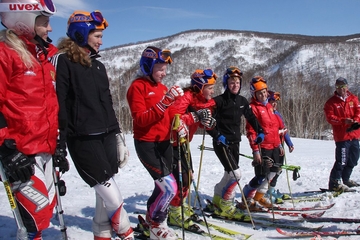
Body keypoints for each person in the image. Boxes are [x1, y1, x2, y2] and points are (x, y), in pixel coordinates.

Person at [53, 10, 133, 240]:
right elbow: (57, 102)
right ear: (81, 33)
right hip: (83, 138)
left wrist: (117, 134)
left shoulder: (97, 66)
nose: (101, 41)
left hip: (106, 135)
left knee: (103, 193)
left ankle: (102, 233)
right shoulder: (63, 61)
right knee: (112, 195)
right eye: (97, 35)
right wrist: (59, 141)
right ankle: (126, 232)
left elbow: (107, 102)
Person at [0, 1, 68, 239]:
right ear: (25, 21)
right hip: (21, 151)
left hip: (45, 147)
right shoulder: (5, 54)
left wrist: (58, 142)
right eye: (45, 22)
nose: (50, 29)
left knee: (46, 211)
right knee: (35, 214)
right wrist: (5, 149)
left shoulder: (44, 59)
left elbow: (50, 106)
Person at [126, 46, 183, 240]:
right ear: (148, 66)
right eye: (159, 68)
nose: (163, 73)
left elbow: (171, 111)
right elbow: (140, 119)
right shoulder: (138, 87)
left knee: (162, 187)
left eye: (165, 69)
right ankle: (157, 225)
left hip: (164, 142)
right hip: (146, 143)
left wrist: (179, 123)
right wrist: (165, 102)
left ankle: (153, 220)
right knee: (169, 187)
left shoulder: (162, 88)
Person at [207, 67, 264, 219]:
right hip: (221, 143)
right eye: (232, 82)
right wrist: (217, 135)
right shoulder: (218, 101)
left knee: (229, 173)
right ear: (227, 83)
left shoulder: (242, 101)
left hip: (235, 142)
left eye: (238, 82)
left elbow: (251, 118)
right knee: (236, 174)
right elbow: (207, 122)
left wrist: (260, 131)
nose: (235, 85)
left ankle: (218, 197)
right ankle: (227, 205)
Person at [167, 69, 217, 229]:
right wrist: (195, 117)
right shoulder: (186, 97)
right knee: (182, 178)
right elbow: (174, 118)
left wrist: (207, 122)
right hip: (171, 143)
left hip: (184, 142)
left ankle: (179, 206)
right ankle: (174, 211)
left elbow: (200, 120)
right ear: (200, 87)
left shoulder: (202, 100)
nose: (213, 90)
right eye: (210, 87)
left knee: (188, 177)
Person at [239, 76, 285, 210]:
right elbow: (251, 131)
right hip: (263, 147)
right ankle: (246, 198)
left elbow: (275, 127)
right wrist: (256, 151)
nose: (263, 95)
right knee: (260, 176)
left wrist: (280, 145)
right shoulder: (253, 108)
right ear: (254, 94)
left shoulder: (269, 106)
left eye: (265, 91)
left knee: (273, 172)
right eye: (260, 93)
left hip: (275, 146)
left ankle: (258, 197)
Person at [324, 77, 360, 192]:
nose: (341, 89)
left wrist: (355, 120)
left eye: (343, 86)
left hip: (354, 134)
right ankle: (335, 182)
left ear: (347, 86)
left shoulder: (353, 99)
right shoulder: (331, 102)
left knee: (353, 159)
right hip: (342, 136)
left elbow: (359, 112)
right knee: (342, 160)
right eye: (338, 87)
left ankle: (345, 179)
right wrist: (343, 120)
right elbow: (330, 118)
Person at [266, 91, 294, 203]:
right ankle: (266, 191)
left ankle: (271, 189)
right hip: (271, 145)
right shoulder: (267, 114)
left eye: (275, 102)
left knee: (279, 168)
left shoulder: (277, 114)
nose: (274, 104)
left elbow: (284, 130)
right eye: (272, 101)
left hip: (279, 145)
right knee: (271, 169)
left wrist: (289, 143)